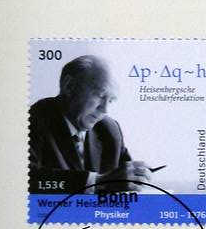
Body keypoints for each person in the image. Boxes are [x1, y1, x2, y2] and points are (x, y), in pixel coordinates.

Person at [29, 55, 152, 195]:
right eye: (100, 95)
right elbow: (27, 179)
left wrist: (138, 177)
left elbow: (126, 181)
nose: (105, 109)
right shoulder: (32, 120)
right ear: (69, 86)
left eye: (111, 100)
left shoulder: (109, 130)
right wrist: (98, 183)